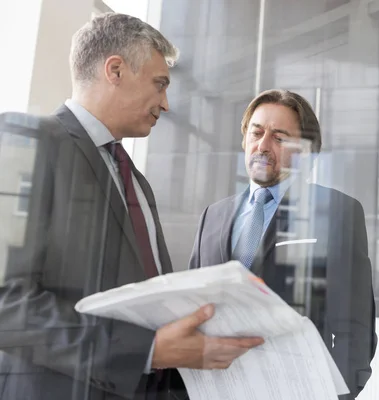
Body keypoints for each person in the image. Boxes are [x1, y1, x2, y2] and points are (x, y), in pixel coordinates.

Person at [0, 13, 263, 400]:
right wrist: (147, 351)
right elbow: (7, 301)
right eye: (160, 85)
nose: (167, 104)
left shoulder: (136, 182)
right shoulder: (28, 141)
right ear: (116, 70)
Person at [188, 89, 377, 399]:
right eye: (257, 133)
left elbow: (355, 329)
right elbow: (192, 309)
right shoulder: (213, 215)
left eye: (279, 138)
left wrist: (333, 395)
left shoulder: (337, 212)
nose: (262, 146)